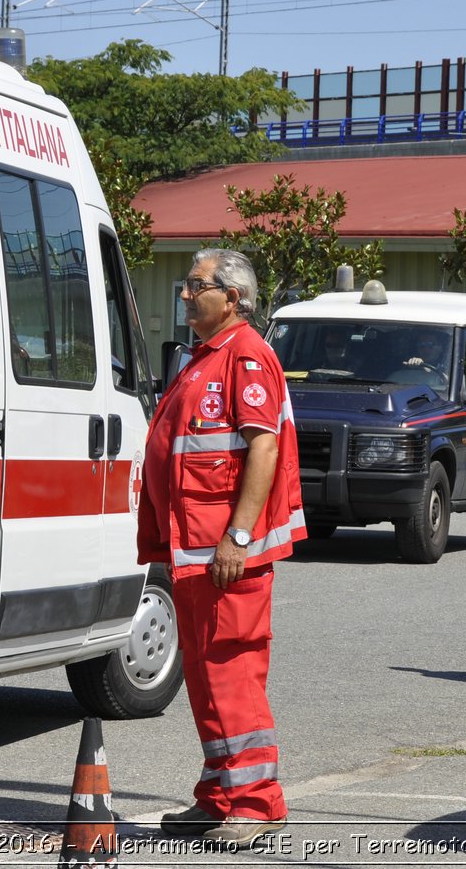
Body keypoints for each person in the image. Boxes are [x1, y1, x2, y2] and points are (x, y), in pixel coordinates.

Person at [138, 248, 306, 848]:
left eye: (194, 286)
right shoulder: (203, 357)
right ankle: (220, 796)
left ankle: (258, 804)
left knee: (232, 672)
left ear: (231, 297)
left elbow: (262, 449)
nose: (183, 295)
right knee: (208, 675)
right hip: (195, 553)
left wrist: (237, 537)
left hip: (225, 554)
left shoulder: (248, 358)